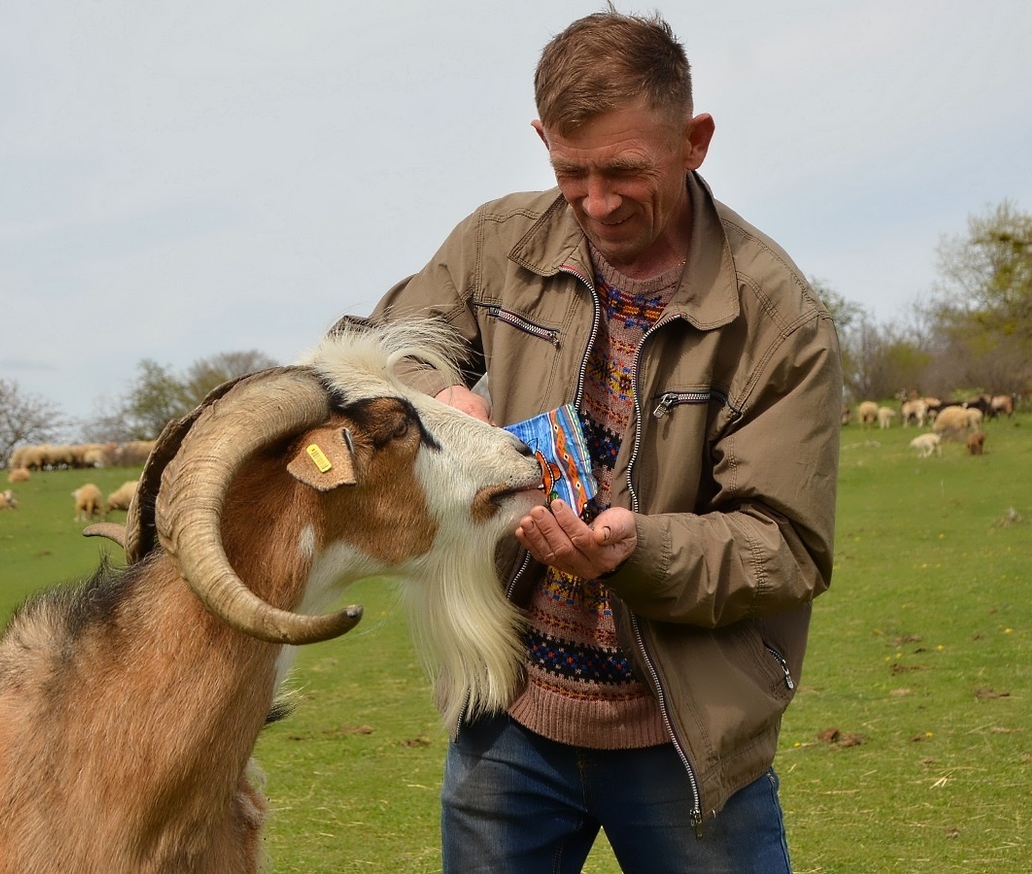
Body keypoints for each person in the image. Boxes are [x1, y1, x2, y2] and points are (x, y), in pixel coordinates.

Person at [359, 10, 840, 873]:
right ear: (541, 138)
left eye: (624, 170)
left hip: (681, 742)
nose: (597, 201)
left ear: (695, 140)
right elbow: (376, 345)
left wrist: (638, 549)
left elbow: (786, 546)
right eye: (569, 170)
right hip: (507, 723)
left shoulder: (777, 316)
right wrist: (440, 397)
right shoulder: (493, 245)